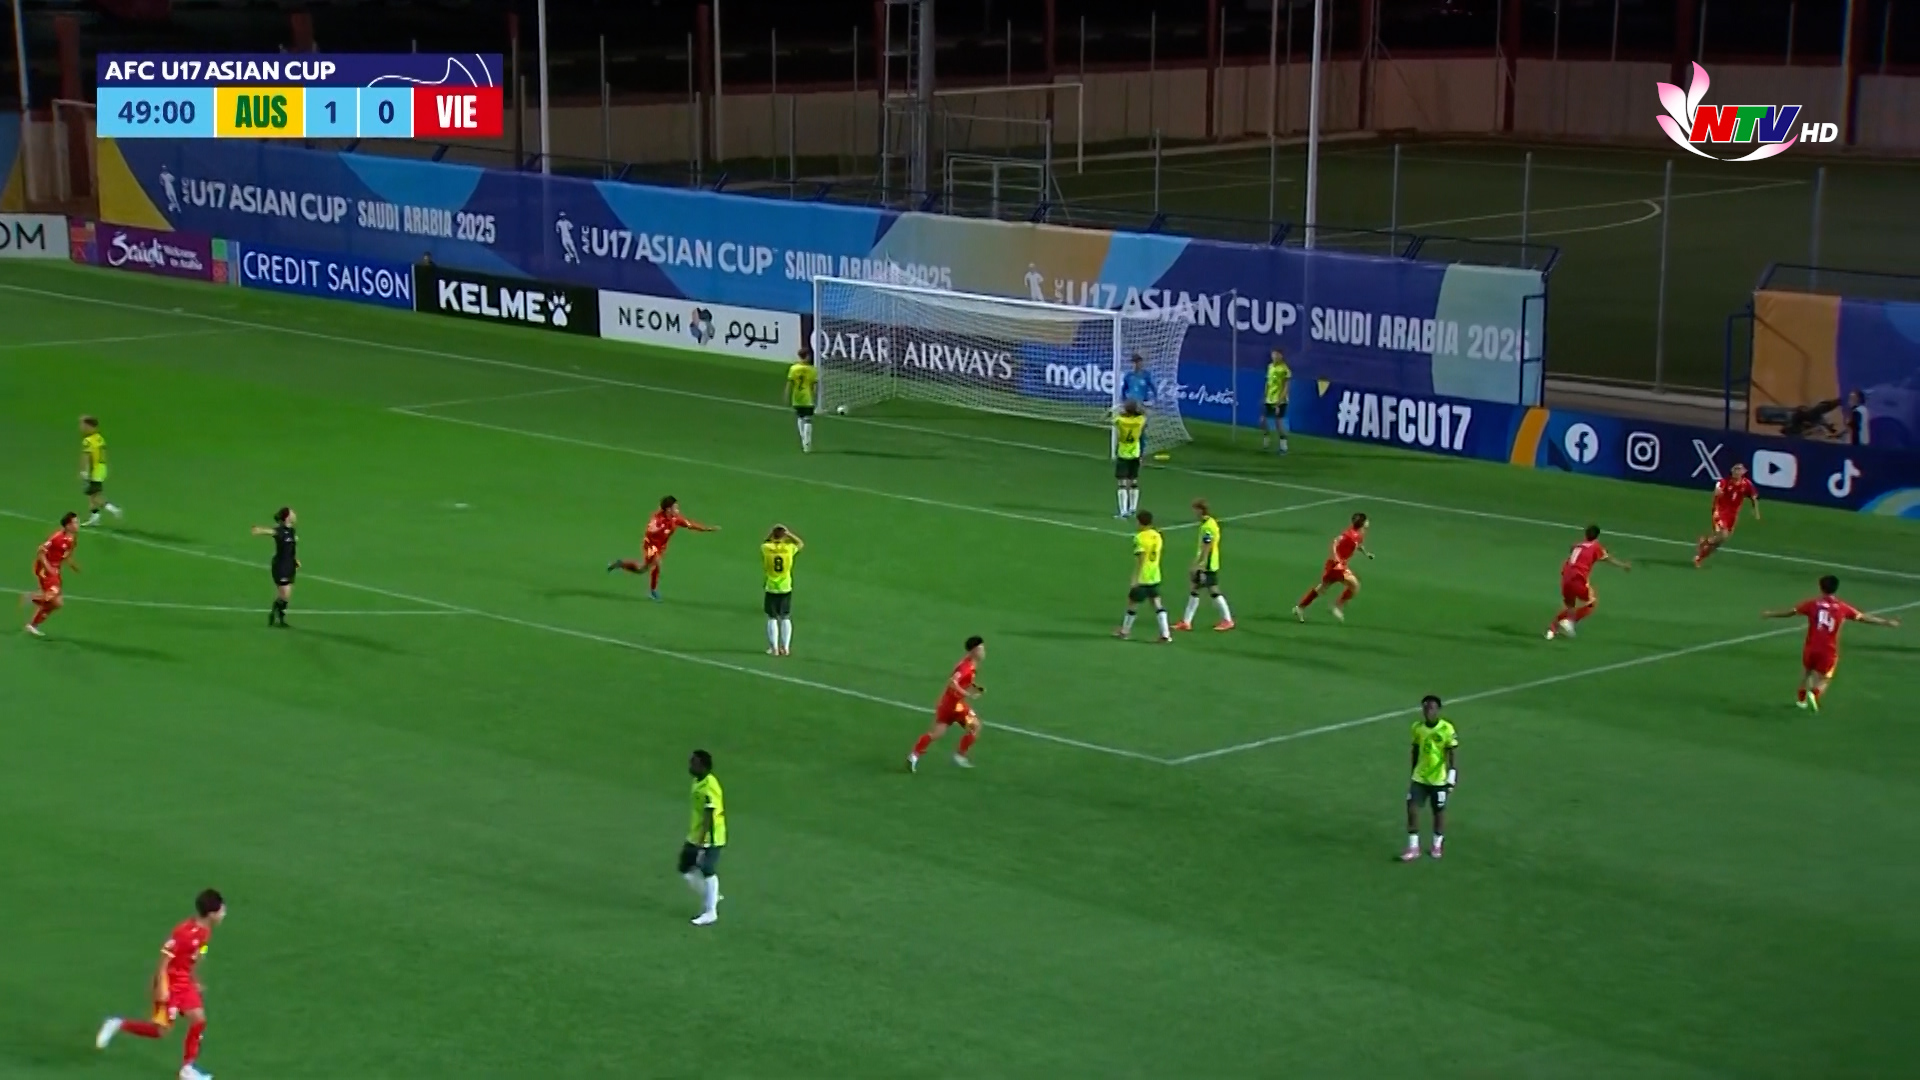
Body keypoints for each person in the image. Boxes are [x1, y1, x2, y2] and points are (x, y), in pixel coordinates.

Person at [95, 887, 227, 1080]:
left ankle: (187, 1068)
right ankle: (118, 1024)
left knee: (199, 1020)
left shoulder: (206, 932)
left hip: (185, 983)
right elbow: (164, 960)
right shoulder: (183, 933)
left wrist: (195, 979)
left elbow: (200, 952)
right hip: (169, 983)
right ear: (211, 913)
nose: (224, 914)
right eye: (222, 910)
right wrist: (162, 988)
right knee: (160, 1031)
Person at [1762, 575, 1900, 711]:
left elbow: (1791, 612)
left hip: (1811, 647)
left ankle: (1801, 701)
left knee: (1806, 672)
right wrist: (1886, 622)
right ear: (1836, 588)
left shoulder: (1812, 604)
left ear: (1820, 587)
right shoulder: (1842, 607)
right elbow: (1863, 618)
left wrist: (1771, 614)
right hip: (1828, 649)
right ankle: (1815, 693)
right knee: (1826, 678)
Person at [609, 496, 716, 600]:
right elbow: (650, 531)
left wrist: (706, 529)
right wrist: (657, 529)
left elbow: (690, 525)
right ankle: (653, 591)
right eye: (675, 508)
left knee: (641, 569)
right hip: (650, 545)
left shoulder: (675, 519)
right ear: (668, 509)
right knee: (657, 563)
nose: (678, 510)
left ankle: (621, 564)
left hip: (661, 547)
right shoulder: (657, 520)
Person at [908, 635, 987, 771]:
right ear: (974, 651)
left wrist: (974, 686)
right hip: (956, 707)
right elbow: (952, 682)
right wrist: (967, 694)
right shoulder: (967, 667)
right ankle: (960, 756)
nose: (983, 652)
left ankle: (914, 755)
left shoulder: (967, 664)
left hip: (946, 705)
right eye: (981, 649)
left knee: (937, 733)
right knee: (976, 726)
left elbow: (960, 680)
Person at [1548, 524, 1631, 639]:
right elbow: (1608, 559)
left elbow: (1573, 549)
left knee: (1570, 606)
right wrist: (1623, 565)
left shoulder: (1578, 545)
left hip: (1565, 578)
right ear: (1597, 536)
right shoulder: (1596, 546)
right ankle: (1569, 622)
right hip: (1578, 579)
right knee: (1591, 603)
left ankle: (1553, 628)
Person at [1401, 696, 1458, 862]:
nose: (1428, 711)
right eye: (1425, 708)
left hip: (1438, 779)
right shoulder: (1417, 728)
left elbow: (1451, 753)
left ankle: (1437, 844)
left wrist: (1452, 776)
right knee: (1412, 807)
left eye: (1431, 708)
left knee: (1438, 812)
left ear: (1437, 710)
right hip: (1420, 777)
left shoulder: (1446, 728)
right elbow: (1415, 750)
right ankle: (1413, 847)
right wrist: (1413, 772)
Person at [1295, 513, 1372, 623]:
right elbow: (1335, 542)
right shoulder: (1349, 534)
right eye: (1366, 520)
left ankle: (1300, 607)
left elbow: (1358, 544)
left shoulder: (1359, 534)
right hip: (1337, 565)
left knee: (1322, 588)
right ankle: (1337, 606)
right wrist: (1336, 558)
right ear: (1362, 523)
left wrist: (1366, 553)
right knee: (1354, 585)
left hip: (1338, 564)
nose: (1368, 522)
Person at [680, 751, 726, 926]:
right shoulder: (697, 781)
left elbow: (709, 814)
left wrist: (701, 841)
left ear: (704, 766)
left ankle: (710, 912)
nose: (690, 766)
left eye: (694, 763)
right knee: (685, 868)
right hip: (696, 833)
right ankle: (712, 895)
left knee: (707, 868)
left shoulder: (709, 787)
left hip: (710, 836)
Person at [1174, 498, 1234, 632]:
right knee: (1195, 589)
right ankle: (1186, 622)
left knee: (1213, 591)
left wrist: (1199, 564)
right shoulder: (1210, 522)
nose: (1194, 513)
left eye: (1195, 510)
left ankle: (1227, 620)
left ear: (1200, 510)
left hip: (1207, 564)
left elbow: (1207, 545)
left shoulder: (1208, 526)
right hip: (1208, 563)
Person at [1115, 510, 1172, 643]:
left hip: (1143, 578)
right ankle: (1166, 634)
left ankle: (1125, 632)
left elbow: (1141, 559)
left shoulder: (1139, 538)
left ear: (1140, 522)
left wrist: (1135, 578)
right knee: (1157, 604)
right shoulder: (1157, 536)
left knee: (1132, 604)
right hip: (1155, 576)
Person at [22, 511, 80, 637]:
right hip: (44, 569)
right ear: (68, 525)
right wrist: (48, 568)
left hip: (55, 569)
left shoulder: (72, 539)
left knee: (56, 603)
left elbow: (67, 555)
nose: (77, 524)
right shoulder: (56, 538)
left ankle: (32, 625)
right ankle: (32, 597)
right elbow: (40, 552)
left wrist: (73, 566)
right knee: (54, 599)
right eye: (75, 522)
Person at [1694, 462, 1760, 568]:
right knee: (1722, 535)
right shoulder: (1724, 482)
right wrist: (1717, 491)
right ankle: (1705, 542)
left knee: (1719, 542)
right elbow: (1717, 488)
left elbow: (1753, 497)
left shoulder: (1746, 484)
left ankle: (1700, 557)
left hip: (1732, 516)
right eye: (1735, 470)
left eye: (1739, 470)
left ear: (1743, 472)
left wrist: (1755, 511)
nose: (1736, 472)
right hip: (1720, 511)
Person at [250, 506, 299, 628]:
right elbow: (271, 532)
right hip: (280, 565)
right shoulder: (280, 530)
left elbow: (291, 548)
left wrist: (295, 560)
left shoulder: (292, 531)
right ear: (287, 517)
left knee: (286, 596)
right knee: (284, 593)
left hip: (290, 565)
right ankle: (275, 613)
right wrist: (259, 530)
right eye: (292, 513)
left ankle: (279, 617)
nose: (294, 514)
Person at [761, 524, 803, 656]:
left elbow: (765, 541)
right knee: (785, 617)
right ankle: (786, 647)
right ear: (784, 537)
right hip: (785, 587)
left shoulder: (766, 548)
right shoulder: (789, 548)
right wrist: (789, 534)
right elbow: (800, 543)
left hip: (771, 587)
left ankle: (774, 648)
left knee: (772, 618)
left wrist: (772, 534)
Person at [79, 415, 121, 526]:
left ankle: (113, 509)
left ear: (89, 426)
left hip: (94, 470)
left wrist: (84, 471)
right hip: (102, 468)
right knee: (92, 494)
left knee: (96, 496)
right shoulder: (100, 438)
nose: (82, 428)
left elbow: (86, 456)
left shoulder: (87, 441)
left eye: (84, 426)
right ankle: (95, 517)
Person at [1112, 402, 1147, 519]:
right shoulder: (1140, 420)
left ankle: (1123, 511)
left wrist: (1115, 410)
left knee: (1122, 484)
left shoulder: (1120, 420)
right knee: (1134, 482)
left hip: (1123, 454)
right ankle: (1133, 509)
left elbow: (1106, 418)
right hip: (1135, 453)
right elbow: (1144, 415)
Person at [785, 344, 819, 452]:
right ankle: (807, 442)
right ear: (807, 356)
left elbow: (789, 384)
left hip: (797, 397)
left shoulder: (793, 368)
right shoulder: (812, 370)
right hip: (808, 397)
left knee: (800, 417)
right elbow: (814, 385)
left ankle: (803, 439)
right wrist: (815, 397)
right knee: (808, 419)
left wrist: (786, 395)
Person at [1260, 350, 1291, 454]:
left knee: (1279, 423)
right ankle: (1266, 438)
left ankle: (1283, 446)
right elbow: (1268, 383)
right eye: (1273, 354)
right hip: (1269, 398)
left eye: (1277, 355)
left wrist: (1279, 401)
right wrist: (1265, 396)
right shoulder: (1270, 367)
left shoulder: (1284, 369)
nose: (1275, 357)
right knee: (1262, 420)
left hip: (1280, 400)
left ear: (1281, 356)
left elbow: (1286, 387)